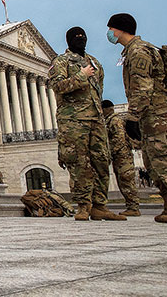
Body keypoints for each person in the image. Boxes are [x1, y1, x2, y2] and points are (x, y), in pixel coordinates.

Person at [108, 13, 167, 224]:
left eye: (111, 29)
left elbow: (142, 87)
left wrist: (133, 116)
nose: (110, 33)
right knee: (154, 162)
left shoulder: (139, 51)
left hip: (156, 114)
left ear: (120, 29)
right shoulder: (133, 51)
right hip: (150, 116)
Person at [49, 26, 125, 221]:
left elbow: (98, 90)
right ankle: (83, 205)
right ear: (68, 40)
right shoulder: (61, 61)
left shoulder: (95, 63)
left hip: (96, 118)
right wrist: (81, 76)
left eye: (83, 36)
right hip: (73, 120)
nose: (80, 39)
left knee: (101, 161)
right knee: (79, 164)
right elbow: (57, 86)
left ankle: (100, 205)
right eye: (76, 37)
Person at [101, 99, 140, 216]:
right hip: (120, 155)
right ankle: (131, 206)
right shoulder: (111, 120)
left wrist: (112, 153)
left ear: (106, 109)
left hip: (122, 156)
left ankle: (133, 207)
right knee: (123, 180)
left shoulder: (115, 120)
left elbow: (119, 138)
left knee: (126, 180)